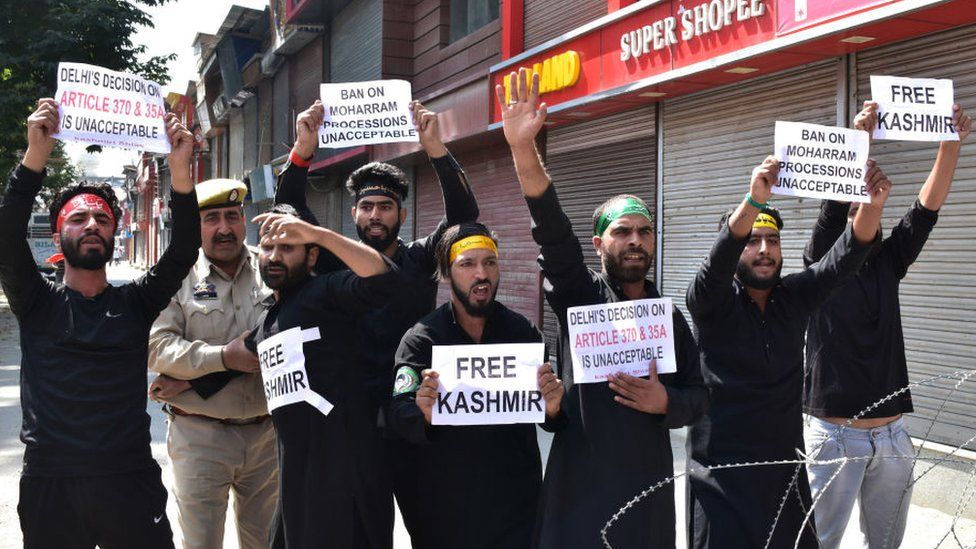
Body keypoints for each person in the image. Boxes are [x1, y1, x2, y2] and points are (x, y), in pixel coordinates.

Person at [498, 68, 709, 548]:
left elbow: (699, 396)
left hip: (647, 492)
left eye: (644, 231)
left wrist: (667, 403)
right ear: (599, 244)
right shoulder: (582, 297)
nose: (634, 240)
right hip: (580, 489)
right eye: (622, 231)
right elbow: (551, 229)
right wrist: (521, 150)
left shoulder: (668, 318)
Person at [275, 100, 479, 544]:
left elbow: (464, 218)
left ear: (401, 215)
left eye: (385, 207)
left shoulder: (421, 258)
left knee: (435, 526)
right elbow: (289, 213)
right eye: (366, 207)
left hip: (413, 415)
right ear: (353, 215)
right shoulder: (332, 261)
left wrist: (435, 149)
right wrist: (302, 151)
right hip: (352, 426)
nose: (375, 215)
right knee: (365, 534)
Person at [0, 99, 199, 548]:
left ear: (113, 233)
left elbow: (185, 247)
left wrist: (180, 172)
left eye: (102, 219)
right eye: (78, 218)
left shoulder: (136, 302)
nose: (91, 224)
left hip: (129, 480)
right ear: (57, 235)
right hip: (51, 482)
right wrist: (35, 157)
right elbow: (7, 234)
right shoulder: (35, 302)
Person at [685, 147, 893, 548]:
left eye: (773, 240)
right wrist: (754, 201)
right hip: (720, 483)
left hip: (785, 477)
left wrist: (872, 206)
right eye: (752, 240)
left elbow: (844, 258)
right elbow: (713, 271)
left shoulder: (794, 297)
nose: (765, 249)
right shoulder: (711, 303)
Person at [802, 102, 971, 549]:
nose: (869, 203)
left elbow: (926, 209)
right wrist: (859, 143)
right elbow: (833, 215)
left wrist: (949, 146)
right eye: (857, 197)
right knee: (819, 543)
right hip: (834, 437)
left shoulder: (889, 261)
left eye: (873, 196)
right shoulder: (821, 263)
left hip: (893, 437)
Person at [387, 222, 565, 549]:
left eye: (490, 262)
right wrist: (422, 412)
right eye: (467, 264)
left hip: (514, 511)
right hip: (442, 513)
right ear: (445, 274)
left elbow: (550, 416)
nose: (481, 274)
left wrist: (553, 405)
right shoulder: (422, 339)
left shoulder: (523, 334)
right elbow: (398, 413)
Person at [247, 205, 400, 549]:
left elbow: (383, 277)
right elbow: (240, 354)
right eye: (267, 247)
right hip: (296, 479)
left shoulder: (327, 293)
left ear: (312, 256)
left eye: (287, 248)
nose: (274, 256)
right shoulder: (270, 318)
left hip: (346, 480)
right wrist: (186, 381)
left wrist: (318, 233)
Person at [147, 178, 278, 549]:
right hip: (200, 437)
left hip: (267, 435)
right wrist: (221, 357)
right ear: (196, 225)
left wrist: (191, 379)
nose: (224, 228)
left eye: (233, 216)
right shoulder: (175, 275)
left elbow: (288, 338)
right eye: (212, 218)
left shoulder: (273, 265)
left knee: (266, 543)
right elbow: (157, 347)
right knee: (201, 543)